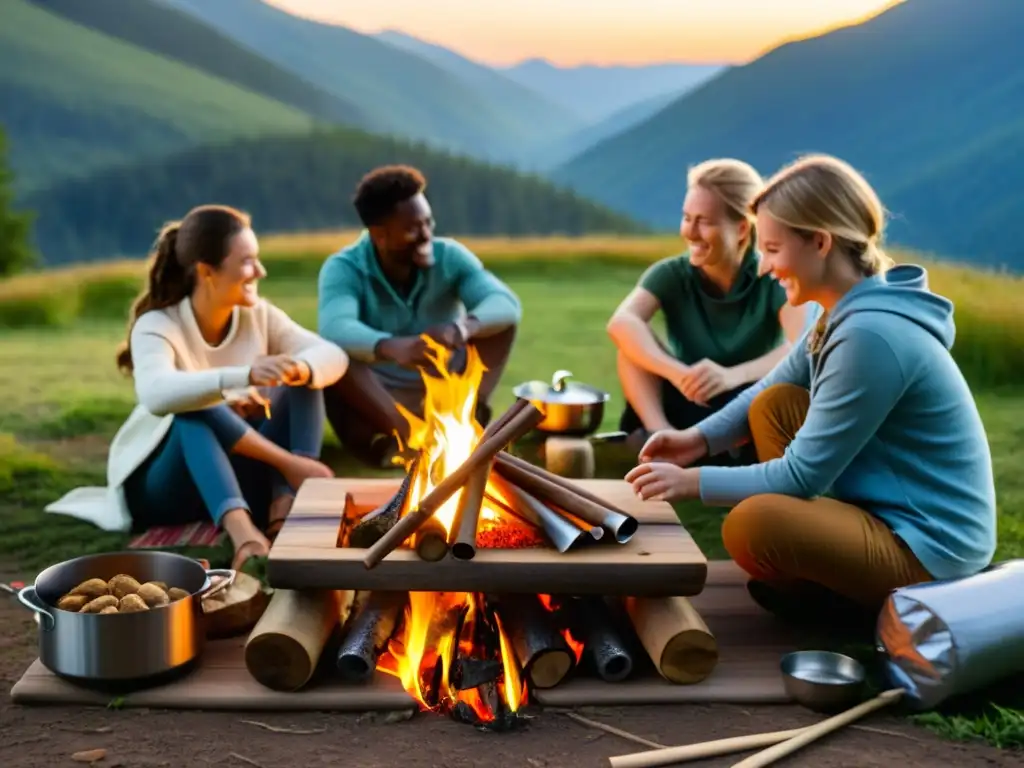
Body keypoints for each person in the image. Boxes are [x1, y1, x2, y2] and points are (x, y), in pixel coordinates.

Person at [625, 154, 997, 628]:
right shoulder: (840, 310)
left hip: (930, 549)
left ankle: (852, 605)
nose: (763, 268)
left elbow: (801, 477)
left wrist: (691, 483)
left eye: (774, 249)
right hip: (885, 508)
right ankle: (822, 583)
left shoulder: (870, 337)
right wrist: (695, 441)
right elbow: (772, 383)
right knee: (775, 405)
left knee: (751, 525)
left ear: (819, 243)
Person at [94, 205, 348, 571]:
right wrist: (239, 379)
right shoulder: (158, 325)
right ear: (207, 271)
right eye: (247, 262)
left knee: (303, 376)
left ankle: (283, 506)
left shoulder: (258, 314)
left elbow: (332, 355)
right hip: (165, 491)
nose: (260, 271)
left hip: (235, 472)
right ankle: (245, 534)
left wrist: (298, 368)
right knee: (191, 409)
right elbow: (155, 394)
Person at [317, 164, 521, 467]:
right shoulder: (344, 268)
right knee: (332, 355)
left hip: (446, 379)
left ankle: (470, 411)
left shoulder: (450, 255)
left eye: (428, 222)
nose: (426, 235)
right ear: (380, 236)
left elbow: (505, 303)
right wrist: (391, 347)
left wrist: (463, 328)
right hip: (379, 394)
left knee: (499, 325)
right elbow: (335, 327)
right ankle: (407, 436)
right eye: (413, 228)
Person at [606, 158, 807, 451]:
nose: (689, 231)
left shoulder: (771, 274)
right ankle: (659, 436)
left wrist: (730, 376)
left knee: (781, 389)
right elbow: (621, 323)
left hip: (746, 402)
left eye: (704, 221)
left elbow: (801, 346)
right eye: (687, 218)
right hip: (690, 394)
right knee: (631, 349)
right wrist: (677, 372)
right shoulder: (672, 273)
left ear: (741, 229)